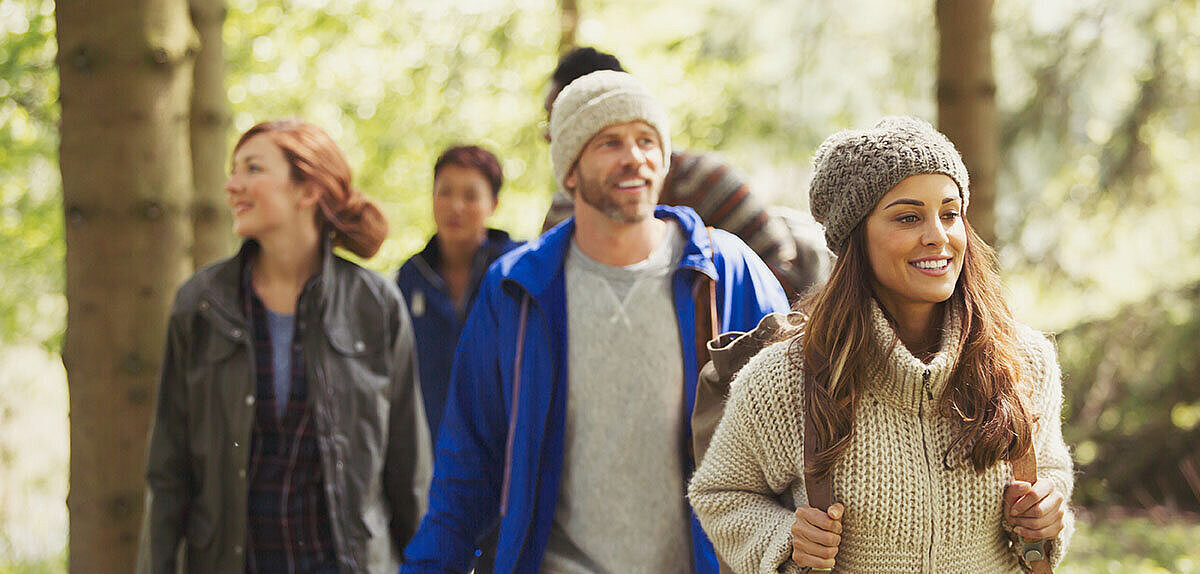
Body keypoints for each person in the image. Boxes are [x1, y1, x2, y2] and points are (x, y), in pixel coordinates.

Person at [401, 71, 789, 573]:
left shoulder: (724, 274)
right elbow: (467, 468)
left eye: (647, 140)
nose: (635, 156)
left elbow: (795, 437)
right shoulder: (517, 288)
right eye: (610, 142)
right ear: (569, 170)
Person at [688, 116, 1074, 573]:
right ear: (856, 238)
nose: (938, 235)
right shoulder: (783, 377)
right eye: (909, 217)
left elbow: (1050, 474)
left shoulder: (1023, 362)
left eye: (950, 214)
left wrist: (1048, 514)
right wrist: (784, 539)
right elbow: (720, 494)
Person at [141, 119, 431, 574]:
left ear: (307, 190)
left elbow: (408, 471)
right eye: (233, 170)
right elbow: (169, 475)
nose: (232, 185)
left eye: (252, 169)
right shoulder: (200, 306)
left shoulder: (375, 306)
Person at [539, 47, 833, 301]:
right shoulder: (562, 215)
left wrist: (711, 322)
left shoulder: (706, 182)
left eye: (556, 121)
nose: (550, 137)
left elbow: (784, 268)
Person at [395, 145, 523, 447]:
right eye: (445, 192)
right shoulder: (411, 276)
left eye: (470, 196)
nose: (455, 207)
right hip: (429, 447)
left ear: (493, 204)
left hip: (502, 446)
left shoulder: (516, 271)